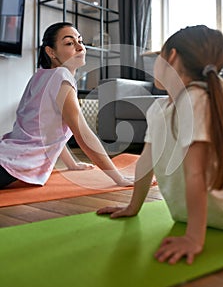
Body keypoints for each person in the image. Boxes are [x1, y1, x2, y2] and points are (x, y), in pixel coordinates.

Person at [97, 25, 223, 264]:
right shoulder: (159, 108)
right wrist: (133, 206)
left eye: (159, 54)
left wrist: (193, 237)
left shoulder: (196, 99)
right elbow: (145, 163)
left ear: (171, 56)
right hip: (196, 216)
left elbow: (196, 173)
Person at [0, 22, 133, 189]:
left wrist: (72, 164)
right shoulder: (61, 76)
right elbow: (83, 135)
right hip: (13, 161)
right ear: (51, 52)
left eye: (80, 41)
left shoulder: (39, 76)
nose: (80, 47)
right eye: (70, 43)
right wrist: (119, 178)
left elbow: (52, 132)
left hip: (8, 152)